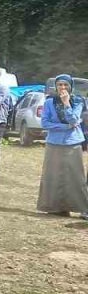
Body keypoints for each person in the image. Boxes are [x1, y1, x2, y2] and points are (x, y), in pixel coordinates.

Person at [35, 75, 88, 218]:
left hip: (73, 143)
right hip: (54, 143)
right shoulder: (49, 102)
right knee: (53, 176)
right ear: (56, 86)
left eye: (65, 85)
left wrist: (66, 103)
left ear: (71, 86)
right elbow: (45, 123)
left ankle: (81, 208)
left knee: (74, 177)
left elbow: (74, 119)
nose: (63, 88)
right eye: (60, 85)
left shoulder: (78, 101)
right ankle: (55, 208)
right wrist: (65, 126)